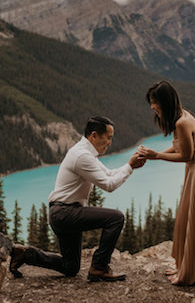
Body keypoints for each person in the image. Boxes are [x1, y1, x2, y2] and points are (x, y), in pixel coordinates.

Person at [9, 116, 146, 281]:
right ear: (94, 135)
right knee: (116, 218)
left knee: (70, 267)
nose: (110, 142)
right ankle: (99, 267)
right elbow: (109, 185)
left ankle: (25, 254)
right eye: (108, 137)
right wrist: (130, 167)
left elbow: (108, 174)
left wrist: (129, 165)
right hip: (65, 213)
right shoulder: (82, 156)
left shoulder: (85, 152)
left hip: (62, 213)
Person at [137, 81, 195, 285]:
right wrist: (153, 155)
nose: (152, 107)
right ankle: (185, 266)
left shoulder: (182, 122)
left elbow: (186, 155)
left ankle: (188, 273)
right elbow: (177, 146)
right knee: (189, 218)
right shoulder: (182, 117)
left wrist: (157, 155)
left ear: (165, 102)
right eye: (151, 102)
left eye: (155, 102)